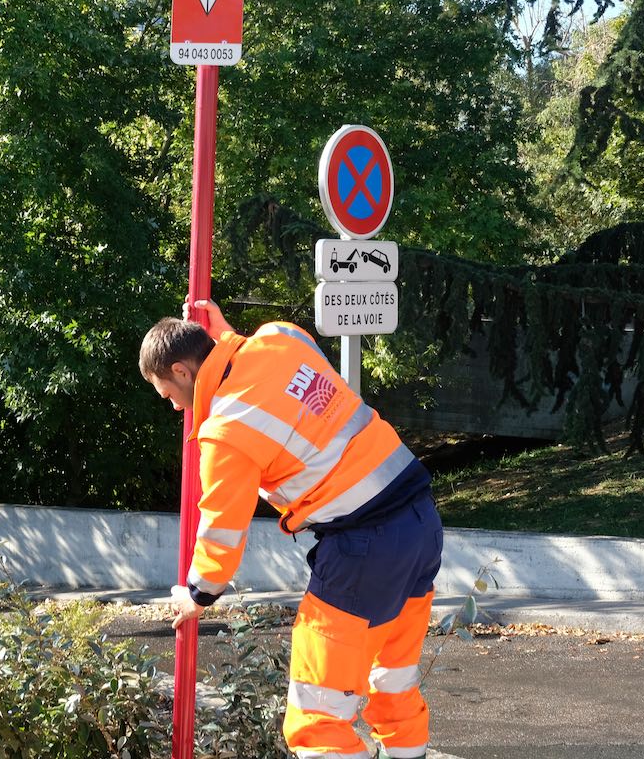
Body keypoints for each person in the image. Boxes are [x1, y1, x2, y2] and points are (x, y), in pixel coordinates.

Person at [140, 299, 443, 759]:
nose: (173, 406)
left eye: (166, 394)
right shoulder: (281, 336)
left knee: (316, 719)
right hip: (421, 524)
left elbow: (222, 527)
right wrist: (224, 338)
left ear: (182, 371)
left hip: (363, 549)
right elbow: (265, 374)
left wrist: (198, 595)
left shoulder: (227, 430)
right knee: (393, 685)